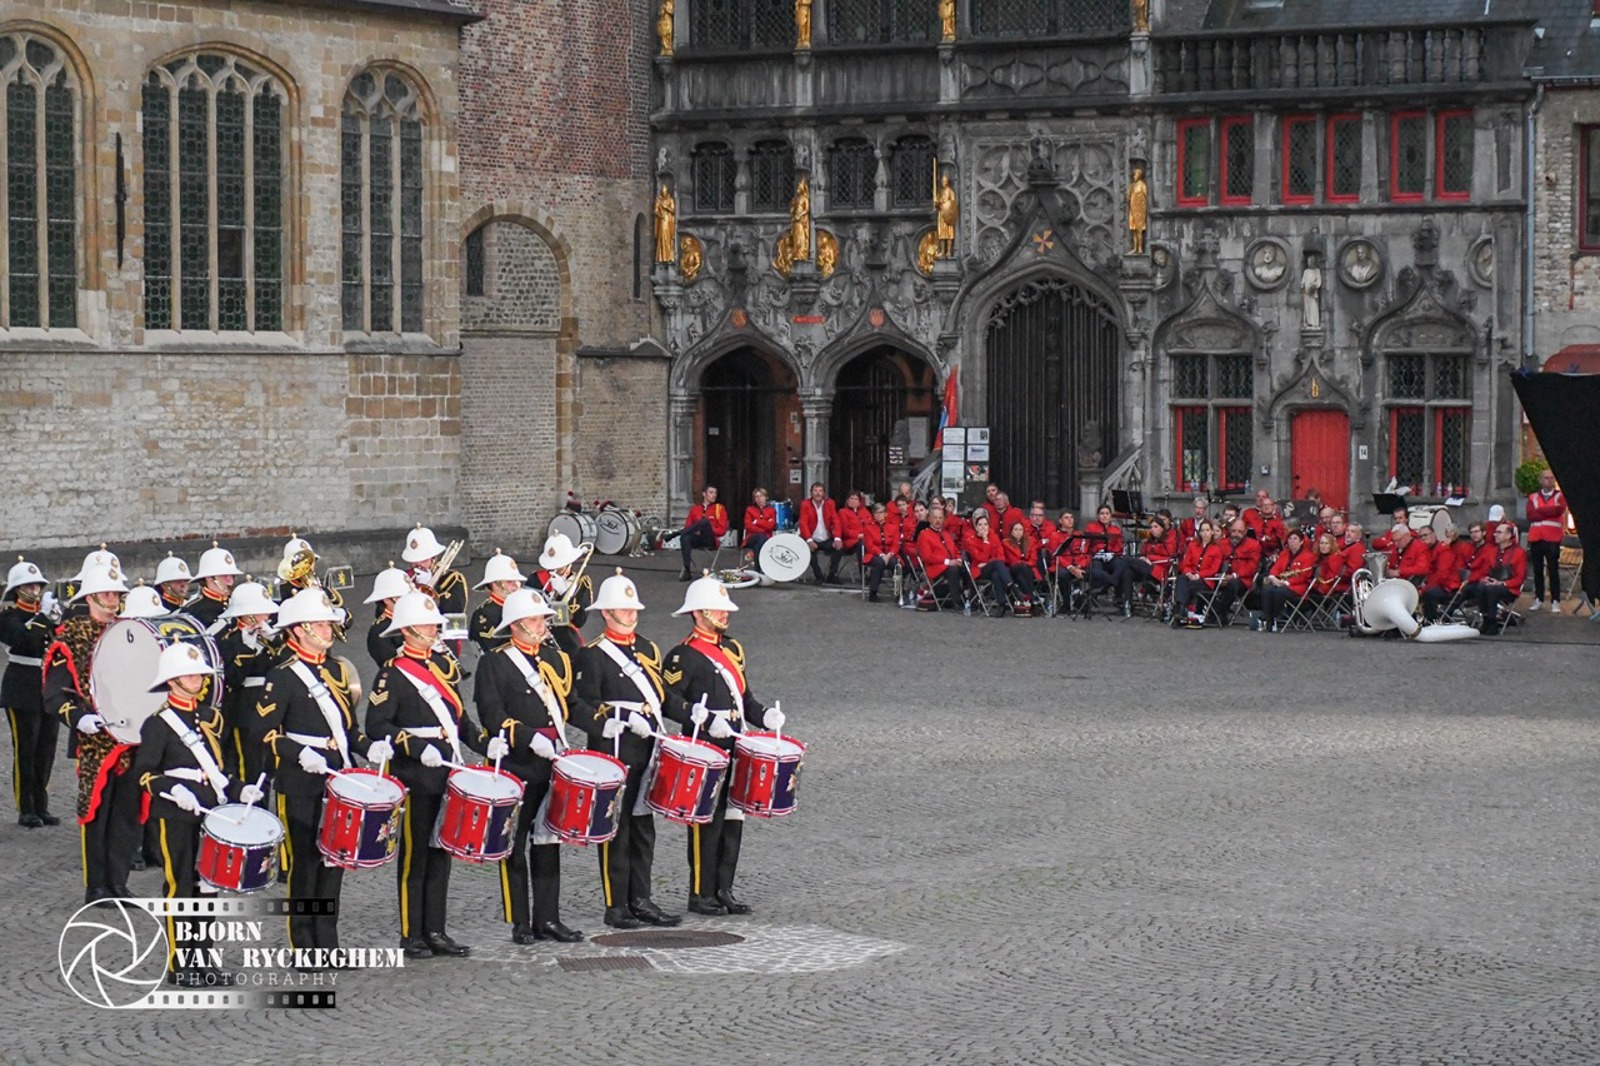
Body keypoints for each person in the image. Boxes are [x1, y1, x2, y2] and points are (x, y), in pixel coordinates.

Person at [257, 588, 383, 956]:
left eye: (329, 624)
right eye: (321, 625)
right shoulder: (281, 676)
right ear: (299, 630)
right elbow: (264, 733)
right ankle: (303, 945)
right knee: (305, 864)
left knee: (334, 861)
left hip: (337, 778)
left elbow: (347, 727)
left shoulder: (336, 670)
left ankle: (328, 943)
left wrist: (368, 747)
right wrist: (300, 753)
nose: (329, 631)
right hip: (301, 782)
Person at [366, 590, 488, 958]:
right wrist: (418, 747)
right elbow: (377, 725)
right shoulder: (392, 674)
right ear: (407, 630)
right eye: (427, 624)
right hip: (414, 773)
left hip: (446, 768)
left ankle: (436, 929)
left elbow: (458, 718)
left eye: (435, 623)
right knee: (415, 854)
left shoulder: (441, 667)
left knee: (441, 851)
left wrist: (485, 742)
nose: (435, 629)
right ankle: (411, 933)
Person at [135, 640, 260, 986]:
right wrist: (173, 789)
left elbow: (220, 769)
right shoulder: (157, 724)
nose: (197, 679)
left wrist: (239, 789)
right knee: (180, 887)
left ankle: (204, 960)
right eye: (189, 674)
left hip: (210, 812)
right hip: (175, 814)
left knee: (208, 888)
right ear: (172, 680)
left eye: (199, 674)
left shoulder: (209, 718)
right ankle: (180, 964)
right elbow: (144, 774)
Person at [663, 576, 784, 915]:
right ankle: (700, 892)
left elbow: (743, 698)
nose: (725, 614)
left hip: (735, 742)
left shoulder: (732, 649)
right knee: (705, 820)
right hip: (704, 746)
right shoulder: (682, 656)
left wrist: (764, 715)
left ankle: (724, 888)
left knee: (733, 817)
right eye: (717, 609)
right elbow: (668, 700)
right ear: (698, 612)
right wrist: (699, 717)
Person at [574, 570, 688, 929]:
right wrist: (613, 719)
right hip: (614, 749)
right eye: (624, 609)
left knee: (643, 826)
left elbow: (661, 697)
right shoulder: (592, 655)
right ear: (606, 613)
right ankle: (616, 904)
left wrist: (691, 712)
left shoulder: (647, 648)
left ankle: (642, 898)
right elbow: (581, 704)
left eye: (634, 608)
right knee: (616, 828)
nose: (632, 614)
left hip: (648, 747)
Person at [474, 588, 588, 944]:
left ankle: (548, 918)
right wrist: (526, 737)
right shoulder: (495, 663)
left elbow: (571, 705)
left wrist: (604, 721)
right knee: (514, 843)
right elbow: (492, 714)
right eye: (537, 619)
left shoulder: (554, 658)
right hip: (517, 761)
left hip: (552, 759)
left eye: (543, 619)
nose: (543, 625)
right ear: (517, 624)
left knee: (549, 840)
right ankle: (520, 921)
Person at [44, 561, 135, 903]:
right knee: (96, 811)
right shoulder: (70, 636)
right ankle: (96, 885)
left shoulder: (129, 632)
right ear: (91, 597)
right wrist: (78, 717)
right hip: (95, 738)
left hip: (131, 736)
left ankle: (118, 881)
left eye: (116, 594)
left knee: (125, 813)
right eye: (107, 594)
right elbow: (54, 695)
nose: (113, 600)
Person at [3, 558, 59, 828]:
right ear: (17, 590)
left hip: (47, 687)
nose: (35, 589)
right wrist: (44, 618)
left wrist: (57, 620)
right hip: (22, 687)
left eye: (37, 585)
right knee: (26, 750)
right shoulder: (8, 617)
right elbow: (24, 640)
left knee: (46, 750)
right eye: (28, 586)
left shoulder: (45, 615)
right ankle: (26, 808)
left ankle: (41, 805)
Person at [214, 580, 281, 783]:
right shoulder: (230, 640)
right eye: (262, 611)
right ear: (248, 614)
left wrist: (276, 641)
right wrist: (248, 649)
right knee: (250, 768)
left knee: (271, 767)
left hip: (272, 707)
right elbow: (232, 678)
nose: (267, 616)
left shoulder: (270, 637)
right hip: (245, 711)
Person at [536, 533, 592, 657]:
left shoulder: (581, 582)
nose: (555, 571)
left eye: (559, 568)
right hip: (537, 635)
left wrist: (564, 593)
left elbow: (579, 620)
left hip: (566, 638)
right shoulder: (536, 578)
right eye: (551, 568)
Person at [1110, 512, 1177, 616]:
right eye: (1151, 527)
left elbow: (1169, 558)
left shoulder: (1167, 542)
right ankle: (1128, 603)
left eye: (1156, 527)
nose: (1153, 529)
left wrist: (1149, 559)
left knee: (1127, 561)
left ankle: (1113, 580)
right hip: (1145, 568)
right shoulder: (1149, 541)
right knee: (1128, 572)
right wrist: (1144, 558)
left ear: (1162, 528)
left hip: (1159, 570)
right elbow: (1143, 554)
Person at [914, 506, 978, 608]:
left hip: (951, 564)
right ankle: (956, 601)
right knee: (953, 569)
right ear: (929, 519)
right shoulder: (924, 535)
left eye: (940, 518)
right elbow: (927, 557)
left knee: (969, 568)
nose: (938, 520)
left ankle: (972, 599)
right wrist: (948, 562)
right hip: (936, 567)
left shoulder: (946, 534)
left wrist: (958, 559)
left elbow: (955, 550)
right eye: (935, 518)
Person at [665, 485, 729, 581]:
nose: (714, 495)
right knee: (685, 537)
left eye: (715, 493)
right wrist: (695, 531)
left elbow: (722, 530)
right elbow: (688, 527)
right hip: (697, 539)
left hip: (710, 539)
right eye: (711, 492)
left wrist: (706, 528)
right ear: (704, 494)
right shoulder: (694, 509)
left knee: (704, 522)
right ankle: (687, 570)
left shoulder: (719, 509)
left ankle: (675, 534)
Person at [1524, 468, 1567, 612]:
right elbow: (1530, 515)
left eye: (1551, 478)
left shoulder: (1560, 495)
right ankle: (1539, 598)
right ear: (1540, 480)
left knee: (1553, 570)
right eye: (1546, 478)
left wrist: (1540, 510)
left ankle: (1555, 600)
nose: (1549, 480)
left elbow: (1559, 510)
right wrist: (1548, 511)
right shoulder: (1533, 497)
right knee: (1537, 570)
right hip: (1536, 537)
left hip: (1553, 538)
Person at [1257, 530, 1316, 632]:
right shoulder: (1284, 553)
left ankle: (1274, 616)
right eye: (1290, 539)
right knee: (1267, 588)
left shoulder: (1308, 556)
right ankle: (1268, 618)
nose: (1292, 541)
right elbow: (1276, 567)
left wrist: (1286, 582)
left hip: (1297, 585)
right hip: (1281, 581)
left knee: (1280, 592)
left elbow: (1304, 575)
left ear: (1301, 541)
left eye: (1295, 539)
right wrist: (1273, 577)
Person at [963, 510, 1021, 613]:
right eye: (980, 525)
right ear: (975, 527)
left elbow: (1001, 557)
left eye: (985, 524)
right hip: (979, 571)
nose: (983, 527)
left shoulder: (994, 537)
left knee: (996, 574)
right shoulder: (970, 539)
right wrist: (985, 540)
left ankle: (1001, 605)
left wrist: (989, 562)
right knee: (997, 564)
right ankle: (1013, 589)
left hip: (992, 567)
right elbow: (981, 558)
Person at [402, 525, 467, 615]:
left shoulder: (453, 579)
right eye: (413, 561)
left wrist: (430, 587)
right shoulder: (405, 578)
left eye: (423, 560)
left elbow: (455, 610)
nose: (418, 565)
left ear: (434, 558)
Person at [1475, 523, 1527, 635]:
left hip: (1509, 588)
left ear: (1508, 535)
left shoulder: (1519, 553)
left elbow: (1520, 578)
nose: (1495, 535)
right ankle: (1486, 619)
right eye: (1495, 532)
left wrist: (1502, 583)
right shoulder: (1492, 551)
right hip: (1492, 583)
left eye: (1499, 532)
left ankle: (1492, 622)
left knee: (1491, 590)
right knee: (1480, 587)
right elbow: (1484, 571)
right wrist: (1484, 579)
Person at [470, 550, 526, 654]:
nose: (517, 585)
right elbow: (494, 648)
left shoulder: (525, 605)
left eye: (517, 580)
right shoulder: (484, 613)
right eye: (509, 581)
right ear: (495, 584)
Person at [1173, 520, 1227, 627]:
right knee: (1182, 578)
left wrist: (1199, 575)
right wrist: (1189, 573)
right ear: (1200, 532)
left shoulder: (1217, 549)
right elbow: (1186, 564)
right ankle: (1181, 609)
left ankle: (1180, 610)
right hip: (1191, 577)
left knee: (1185, 585)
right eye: (1203, 530)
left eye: (1207, 530)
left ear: (1212, 532)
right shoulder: (1193, 546)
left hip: (1206, 581)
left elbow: (1213, 569)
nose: (1205, 533)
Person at [1214, 520, 1262, 623]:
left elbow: (1252, 567)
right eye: (1234, 531)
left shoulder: (1253, 545)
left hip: (1242, 579)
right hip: (1222, 575)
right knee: (1206, 582)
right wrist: (1220, 576)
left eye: (1240, 532)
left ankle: (1221, 613)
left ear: (1245, 532)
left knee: (1232, 584)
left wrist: (1234, 575)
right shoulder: (1222, 543)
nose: (1236, 534)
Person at [798, 482, 846, 585]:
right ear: (811, 493)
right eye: (815, 491)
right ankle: (818, 576)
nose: (818, 493)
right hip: (812, 537)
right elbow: (803, 523)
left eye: (820, 491)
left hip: (826, 538)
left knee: (839, 549)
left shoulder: (830, 503)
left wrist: (837, 538)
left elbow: (836, 521)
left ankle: (832, 575)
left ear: (824, 493)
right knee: (808, 552)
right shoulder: (805, 504)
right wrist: (809, 540)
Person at [187, 543, 243, 630]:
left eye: (232, 575)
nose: (229, 580)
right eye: (224, 575)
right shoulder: (193, 610)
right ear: (209, 577)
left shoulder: (238, 604)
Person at [364, 564, 411, 667]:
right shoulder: (379, 631)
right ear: (386, 600)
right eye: (400, 597)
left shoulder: (414, 617)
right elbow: (389, 666)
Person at [1420, 526, 1467, 623]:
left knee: (1429, 593)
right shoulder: (1426, 551)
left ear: (1434, 534)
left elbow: (1441, 575)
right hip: (1435, 585)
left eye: (1425, 535)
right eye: (1421, 536)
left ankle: (1430, 621)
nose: (1423, 538)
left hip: (1448, 588)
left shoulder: (1444, 550)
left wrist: (1424, 589)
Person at [1083, 504, 1124, 610]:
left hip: (1111, 556)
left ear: (1111, 516)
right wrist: (1096, 552)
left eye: (1107, 513)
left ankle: (1118, 597)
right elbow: (1087, 545)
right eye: (1102, 513)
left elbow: (1119, 548)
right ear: (1098, 515)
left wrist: (1112, 553)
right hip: (1096, 556)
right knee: (1097, 567)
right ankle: (1109, 583)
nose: (1104, 516)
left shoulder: (1116, 530)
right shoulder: (1091, 527)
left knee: (1120, 565)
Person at [862, 502, 901, 603]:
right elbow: (870, 545)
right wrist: (881, 554)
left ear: (886, 514)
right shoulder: (868, 528)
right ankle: (873, 592)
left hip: (890, 554)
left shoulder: (893, 527)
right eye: (876, 513)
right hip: (874, 554)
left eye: (881, 512)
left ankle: (899, 592)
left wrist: (889, 554)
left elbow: (896, 544)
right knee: (879, 562)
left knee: (895, 563)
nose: (878, 515)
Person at [742, 488, 778, 564]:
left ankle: (757, 567)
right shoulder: (750, 510)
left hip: (767, 537)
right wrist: (763, 528)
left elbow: (771, 526)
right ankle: (762, 566)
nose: (759, 499)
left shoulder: (771, 510)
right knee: (760, 537)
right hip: (752, 536)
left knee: (758, 545)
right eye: (756, 497)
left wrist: (757, 522)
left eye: (761, 496)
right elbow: (749, 526)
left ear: (765, 497)